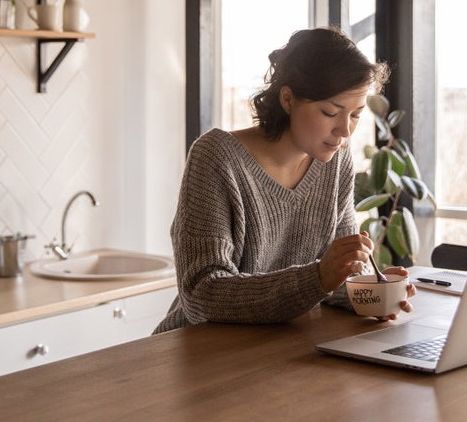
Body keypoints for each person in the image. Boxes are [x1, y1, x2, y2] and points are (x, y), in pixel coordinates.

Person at [153, 27, 416, 333]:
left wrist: (371, 291)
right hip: (196, 352)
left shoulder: (335, 160)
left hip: (275, 351)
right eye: (331, 112)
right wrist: (319, 277)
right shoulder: (217, 158)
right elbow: (202, 295)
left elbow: (334, 278)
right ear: (288, 99)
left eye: (356, 115)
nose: (344, 131)